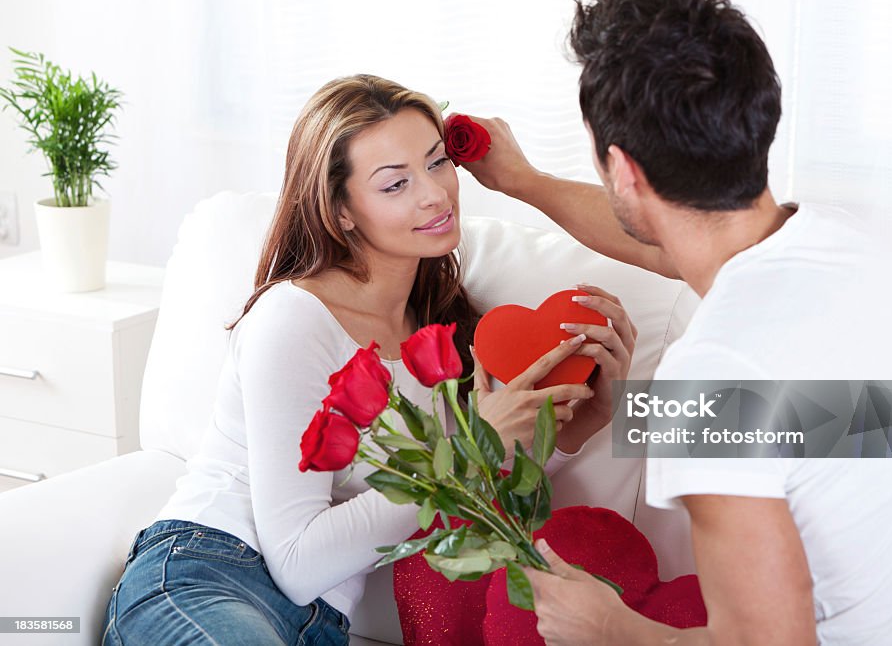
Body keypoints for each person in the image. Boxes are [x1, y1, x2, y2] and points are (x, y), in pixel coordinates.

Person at [461, 0, 892, 646]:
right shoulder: (845, 243)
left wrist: (608, 626)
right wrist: (524, 181)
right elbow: (679, 253)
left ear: (625, 172)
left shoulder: (714, 370)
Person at [101, 75, 636, 645]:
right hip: (210, 575)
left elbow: (466, 497)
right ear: (342, 210)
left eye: (436, 163)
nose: (434, 194)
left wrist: (588, 421)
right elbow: (298, 561)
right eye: (395, 184)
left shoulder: (443, 337)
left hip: (318, 626)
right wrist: (467, 451)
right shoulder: (294, 317)